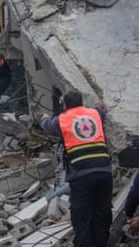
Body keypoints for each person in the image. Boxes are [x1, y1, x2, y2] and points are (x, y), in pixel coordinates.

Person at [40, 90, 112, 247]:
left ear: (65, 105)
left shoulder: (61, 120)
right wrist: (100, 106)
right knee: (102, 213)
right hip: (104, 172)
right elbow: (102, 109)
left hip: (81, 175)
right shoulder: (95, 113)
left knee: (81, 217)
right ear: (82, 102)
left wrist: (44, 117)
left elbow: (47, 126)